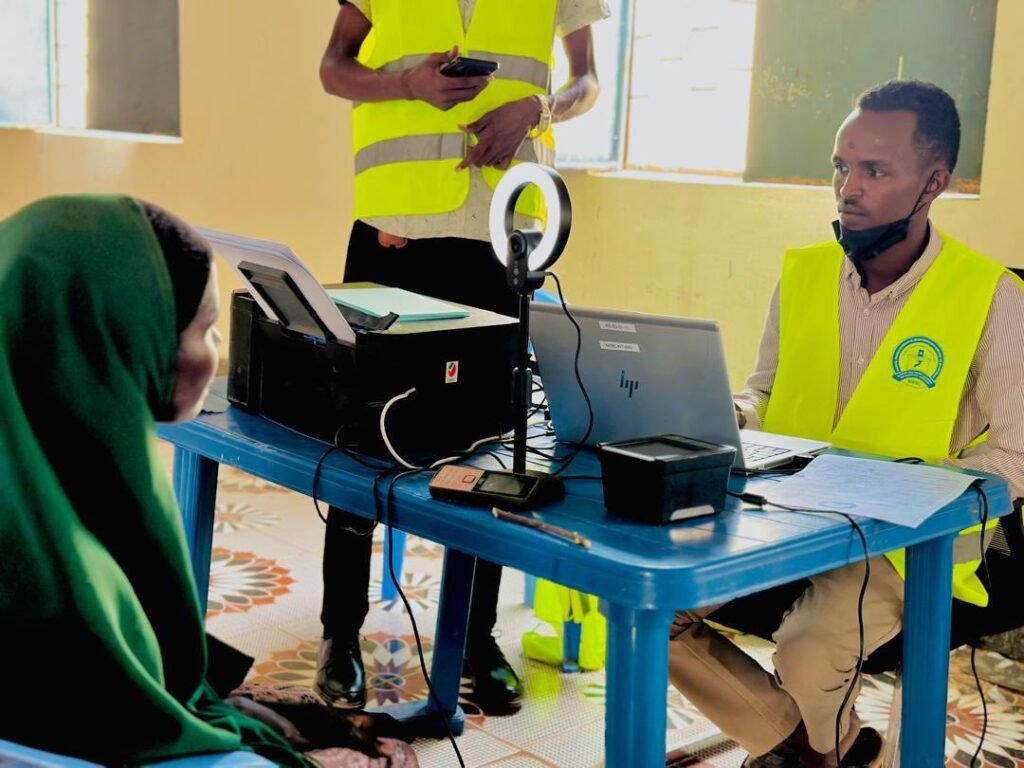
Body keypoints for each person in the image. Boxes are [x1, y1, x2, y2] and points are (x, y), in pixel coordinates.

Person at [667, 80, 1024, 768]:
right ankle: (818, 749)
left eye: (875, 170)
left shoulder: (993, 297)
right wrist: (722, 420)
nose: (848, 189)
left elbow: (1016, 458)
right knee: (654, 605)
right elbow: (763, 393)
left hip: (907, 538)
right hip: (789, 514)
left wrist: (899, 490)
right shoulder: (805, 274)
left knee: (807, 651)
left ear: (934, 183)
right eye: (841, 166)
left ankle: (814, 750)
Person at [0, 194, 416, 767]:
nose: (217, 350)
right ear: (125, 338)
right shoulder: (63, 597)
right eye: (207, 329)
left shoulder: (49, 479)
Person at [315, 0, 610, 714]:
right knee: (362, 436)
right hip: (394, 228)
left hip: (501, 233)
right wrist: (407, 85)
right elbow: (333, 69)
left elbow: (587, 81)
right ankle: (340, 633)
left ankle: (475, 638)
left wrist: (537, 110)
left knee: (488, 444)